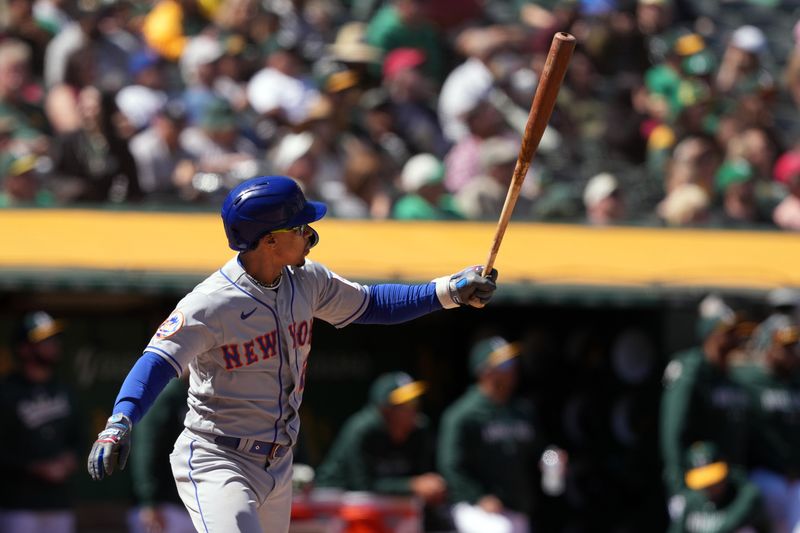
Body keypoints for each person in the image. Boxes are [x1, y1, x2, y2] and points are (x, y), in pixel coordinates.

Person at [86, 175, 498, 533]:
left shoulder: (307, 279)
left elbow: (373, 304)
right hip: (219, 458)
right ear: (270, 240)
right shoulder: (210, 303)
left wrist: (448, 291)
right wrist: (119, 421)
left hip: (279, 462)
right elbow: (156, 361)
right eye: (300, 226)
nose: (309, 233)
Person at [315, 371, 450, 530]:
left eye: (414, 402)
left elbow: (421, 479)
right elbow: (361, 486)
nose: (413, 409)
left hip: (388, 506)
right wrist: (411, 485)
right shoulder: (362, 430)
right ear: (385, 410)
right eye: (404, 404)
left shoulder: (419, 430)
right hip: (339, 504)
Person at [438, 336, 547, 533]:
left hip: (516, 507)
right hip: (475, 508)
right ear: (484, 371)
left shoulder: (522, 410)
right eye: (503, 364)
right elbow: (450, 466)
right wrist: (478, 497)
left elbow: (538, 450)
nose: (512, 369)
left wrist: (550, 458)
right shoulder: (463, 414)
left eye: (512, 362)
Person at [660, 295, 752, 499]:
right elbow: (673, 432)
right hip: (699, 483)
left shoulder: (733, 376)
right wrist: (678, 488)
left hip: (731, 482)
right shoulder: (691, 368)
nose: (736, 338)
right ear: (711, 335)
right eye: (729, 332)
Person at [0, 311, 83, 533]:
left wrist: (70, 458)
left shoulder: (65, 390)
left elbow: (79, 437)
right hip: (17, 505)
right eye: (44, 340)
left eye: (54, 339)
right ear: (23, 348)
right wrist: (33, 467)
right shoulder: (7, 392)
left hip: (59, 503)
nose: (53, 345)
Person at [732, 315, 800, 533]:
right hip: (761, 475)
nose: (791, 353)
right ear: (768, 345)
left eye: (793, 346)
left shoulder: (795, 381)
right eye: (785, 346)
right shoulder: (748, 379)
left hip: (794, 479)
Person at [127, 377, 194, 533]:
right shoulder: (166, 392)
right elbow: (145, 448)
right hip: (164, 507)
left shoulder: (192, 391)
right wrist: (149, 501)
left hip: (188, 503)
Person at [667, 441, 768, 533]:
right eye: (703, 482)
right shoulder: (690, 500)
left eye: (714, 481)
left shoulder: (744, 493)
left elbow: (727, 526)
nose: (709, 486)